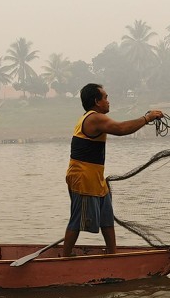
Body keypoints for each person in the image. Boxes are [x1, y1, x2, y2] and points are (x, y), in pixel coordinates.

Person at [62, 83, 164, 256]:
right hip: (83, 177)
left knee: (106, 218)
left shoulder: (95, 117)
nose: (108, 101)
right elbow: (121, 129)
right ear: (96, 101)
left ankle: (112, 254)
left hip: (96, 177)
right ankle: (65, 257)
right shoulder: (94, 118)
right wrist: (147, 118)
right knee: (77, 219)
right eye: (105, 98)